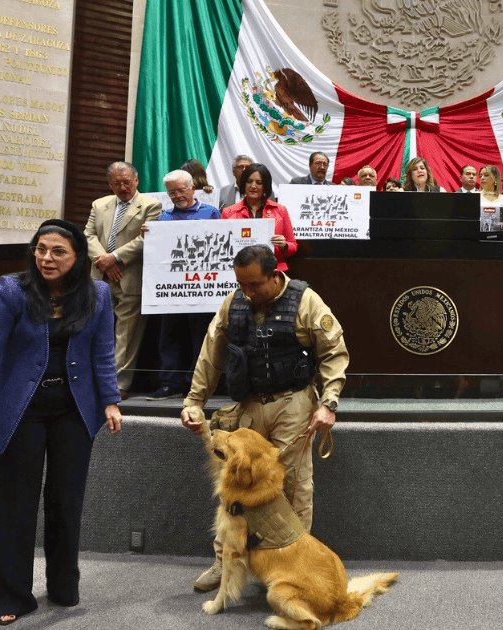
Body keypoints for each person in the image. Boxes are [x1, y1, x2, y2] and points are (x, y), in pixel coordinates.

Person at [0, 219, 122, 626]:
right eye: (40, 249)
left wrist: (110, 401)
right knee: (15, 507)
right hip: (18, 410)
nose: (46, 258)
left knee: (66, 503)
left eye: (58, 252)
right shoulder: (11, 291)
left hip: (74, 409)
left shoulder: (99, 295)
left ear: (78, 258)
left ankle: (63, 585)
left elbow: (103, 354)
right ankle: (11, 595)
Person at [179, 245, 349, 592]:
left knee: (293, 486)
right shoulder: (234, 302)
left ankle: (292, 568)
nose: (247, 291)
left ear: (274, 276)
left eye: (254, 284)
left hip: (294, 403)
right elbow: (211, 354)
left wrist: (328, 403)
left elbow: (334, 352)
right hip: (249, 406)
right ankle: (225, 563)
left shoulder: (306, 300)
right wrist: (194, 401)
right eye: (241, 283)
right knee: (236, 486)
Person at [84, 161, 163, 398]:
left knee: (126, 335)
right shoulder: (99, 205)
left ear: (136, 181)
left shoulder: (151, 205)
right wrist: (104, 261)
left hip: (131, 276)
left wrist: (116, 258)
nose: (123, 187)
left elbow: (147, 238)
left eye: (127, 182)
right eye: (117, 183)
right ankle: (92, 379)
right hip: (100, 277)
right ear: (110, 184)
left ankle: (118, 385)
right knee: (97, 329)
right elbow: (88, 234)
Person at [145, 170, 221, 401]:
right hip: (171, 291)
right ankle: (169, 384)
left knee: (200, 338)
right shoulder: (163, 218)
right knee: (168, 338)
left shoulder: (211, 213)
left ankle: (196, 385)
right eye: (172, 192)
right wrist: (149, 235)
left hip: (201, 289)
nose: (177, 196)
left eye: (180, 190)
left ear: (192, 189)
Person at [222, 163, 298, 272]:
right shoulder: (228, 212)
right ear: (244, 184)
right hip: (240, 271)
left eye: (259, 182)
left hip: (273, 270)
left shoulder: (280, 210)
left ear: (265, 186)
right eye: (249, 181)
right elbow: (224, 248)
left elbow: (293, 246)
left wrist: (284, 245)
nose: (253, 186)